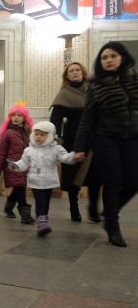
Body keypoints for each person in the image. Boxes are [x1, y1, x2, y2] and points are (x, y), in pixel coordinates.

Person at [74, 41, 138, 247]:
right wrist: (80, 147)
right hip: (106, 138)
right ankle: (112, 225)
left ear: (123, 58)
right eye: (104, 57)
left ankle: (110, 210)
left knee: (133, 182)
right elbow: (87, 117)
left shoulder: (135, 80)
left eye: (113, 56)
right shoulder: (96, 84)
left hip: (133, 139)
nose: (108, 60)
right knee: (113, 181)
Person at [50, 61, 103, 223]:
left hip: (93, 137)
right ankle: (74, 208)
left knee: (96, 176)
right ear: (67, 75)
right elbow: (56, 120)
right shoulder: (63, 94)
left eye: (77, 70)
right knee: (73, 175)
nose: (74, 72)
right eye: (71, 70)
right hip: (72, 138)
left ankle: (93, 209)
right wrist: (56, 141)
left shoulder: (93, 91)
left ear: (83, 72)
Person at [9, 121, 79, 236]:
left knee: (46, 203)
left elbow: (65, 158)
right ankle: (41, 225)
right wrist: (15, 166)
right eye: (36, 134)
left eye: (42, 135)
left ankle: (43, 222)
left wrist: (73, 157)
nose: (38, 137)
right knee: (40, 202)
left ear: (49, 136)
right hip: (35, 180)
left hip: (49, 180)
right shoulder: (29, 150)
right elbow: (24, 163)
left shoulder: (56, 149)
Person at [0, 104, 35, 225]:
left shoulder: (28, 133)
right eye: (13, 115)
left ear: (24, 118)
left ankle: (8, 207)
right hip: (12, 166)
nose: (16, 118)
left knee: (19, 187)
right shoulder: (7, 133)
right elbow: (0, 152)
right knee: (20, 187)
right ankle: (25, 215)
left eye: (19, 115)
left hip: (25, 166)